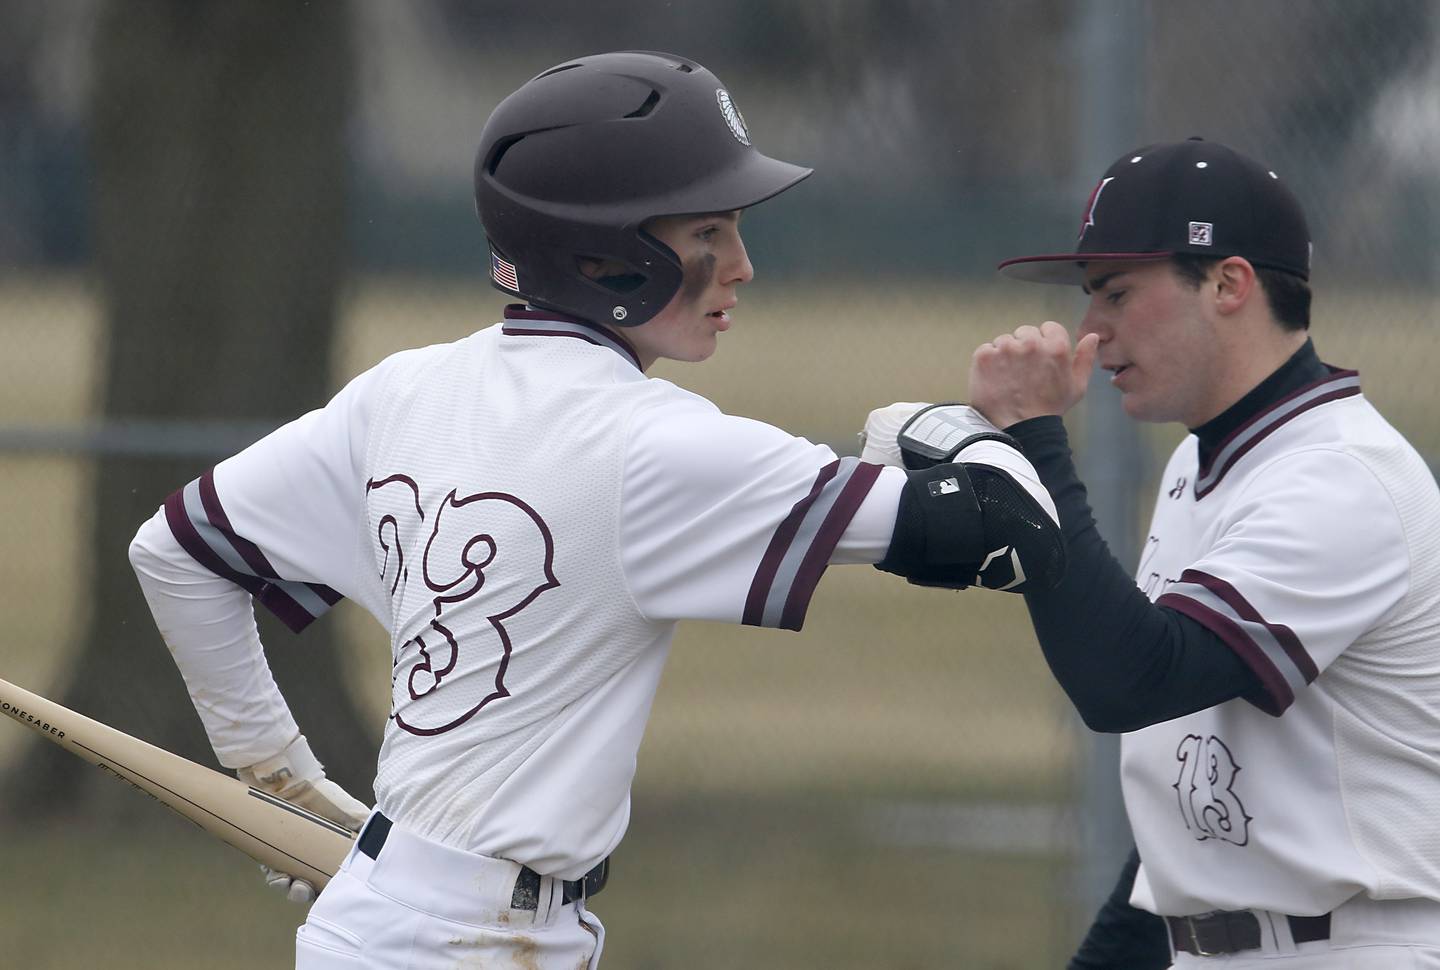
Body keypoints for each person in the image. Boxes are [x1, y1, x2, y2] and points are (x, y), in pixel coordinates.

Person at [127, 51, 1066, 970]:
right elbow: (999, 529)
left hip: (403, 918)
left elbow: (174, 550)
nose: (740, 266)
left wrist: (278, 779)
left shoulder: (404, 392)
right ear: (602, 256)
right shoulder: (656, 442)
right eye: (708, 234)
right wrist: (978, 427)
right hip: (468, 941)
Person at [953, 137, 1440, 967]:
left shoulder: (1338, 477)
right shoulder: (1205, 461)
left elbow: (1130, 681)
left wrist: (1035, 451)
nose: (1091, 331)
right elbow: (1190, 836)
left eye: (1116, 293)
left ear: (1228, 283)